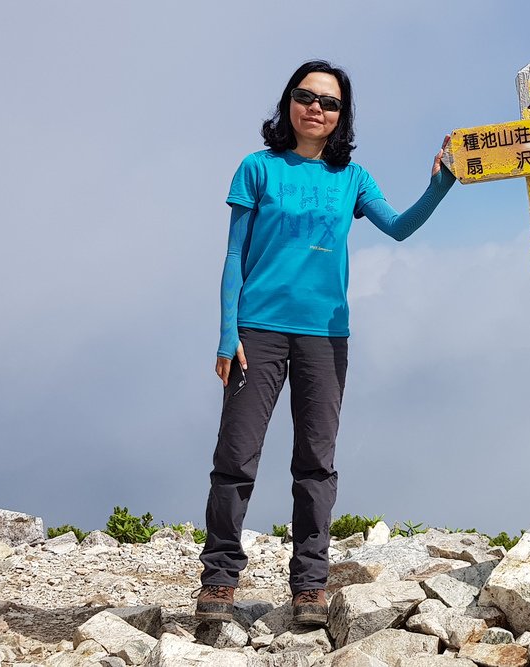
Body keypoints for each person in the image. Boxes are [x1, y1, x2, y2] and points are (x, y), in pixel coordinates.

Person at [192, 60, 454, 626]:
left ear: (341, 116)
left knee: (316, 463)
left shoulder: (352, 178)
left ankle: (310, 586)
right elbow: (233, 255)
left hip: (326, 337)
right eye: (306, 96)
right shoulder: (257, 168)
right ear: (288, 102)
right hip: (256, 332)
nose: (316, 107)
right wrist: (225, 331)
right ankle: (218, 580)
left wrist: (441, 184)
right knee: (235, 458)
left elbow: (401, 227)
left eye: (329, 102)